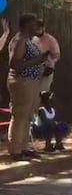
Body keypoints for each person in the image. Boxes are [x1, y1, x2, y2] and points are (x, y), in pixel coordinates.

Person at [7, 14, 48, 161]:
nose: (37, 25)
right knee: (20, 115)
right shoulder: (19, 40)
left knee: (28, 116)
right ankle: (15, 150)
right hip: (22, 81)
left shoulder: (28, 41)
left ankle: (24, 148)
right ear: (26, 25)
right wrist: (37, 60)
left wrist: (41, 62)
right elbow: (14, 64)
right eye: (34, 23)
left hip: (31, 81)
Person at [32, 20, 60, 93]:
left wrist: (49, 61)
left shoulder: (50, 39)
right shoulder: (34, 39)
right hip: (35, 69)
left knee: (43, 92)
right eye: (35, 29)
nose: (37, 31)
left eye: (38, 29)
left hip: (47, 69)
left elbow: (57, 55)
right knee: (34, 92)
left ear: (43, 28)